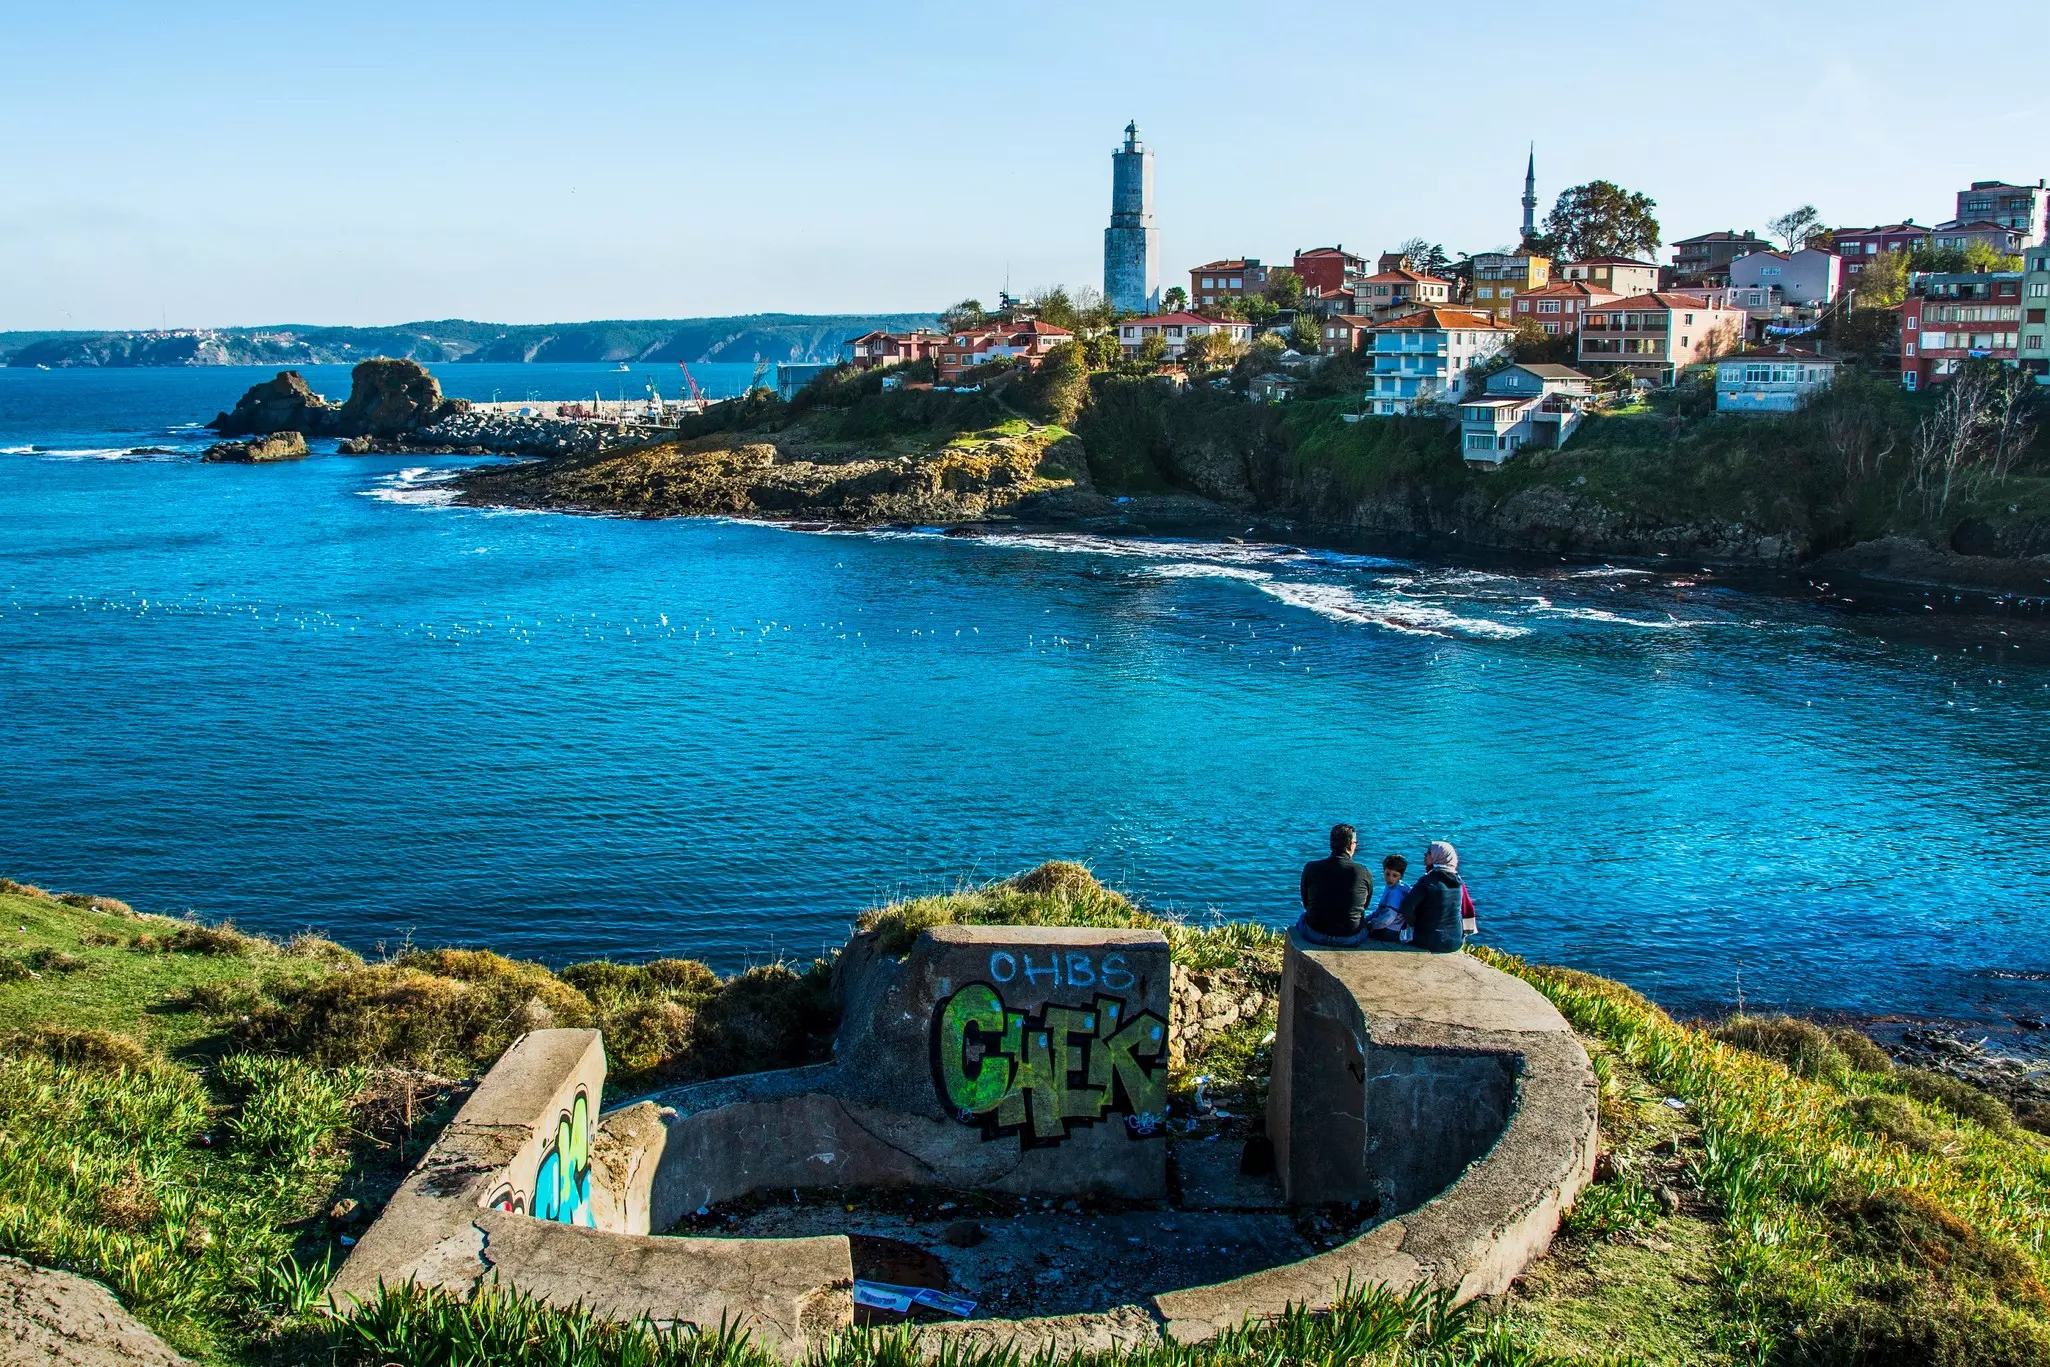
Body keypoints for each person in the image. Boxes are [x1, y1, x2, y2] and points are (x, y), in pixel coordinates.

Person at [1296, 823, 1373, 947]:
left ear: (1331, 844)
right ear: (1351, 845)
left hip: (1315, 934)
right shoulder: (1363, 872)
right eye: (1356, 843)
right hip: (1350, 937)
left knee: (1302, 917)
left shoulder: (1311, 868)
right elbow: (1364, 905)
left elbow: (1306, 903)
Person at [1397, 841, 1468, 953]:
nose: (1425, 854)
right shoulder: (1459, 882)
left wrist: (1412, 924)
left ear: (1438, 857)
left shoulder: (1428, 881)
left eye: (1429, 852)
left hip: (1429, 941)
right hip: (1455, 942)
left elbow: (1407, 907)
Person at [1365, 853, 1410, 942]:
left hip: (1389, 931)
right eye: (1387, 874)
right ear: (1383, 872)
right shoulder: (1396, 886)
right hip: (1392, 930)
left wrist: (1370, 924)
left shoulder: (1395, 892)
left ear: (1401, 876)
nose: (1390, 879)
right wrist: (1366, 920)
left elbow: (1388, 918)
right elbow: (1380, 910)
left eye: (1395, 875)